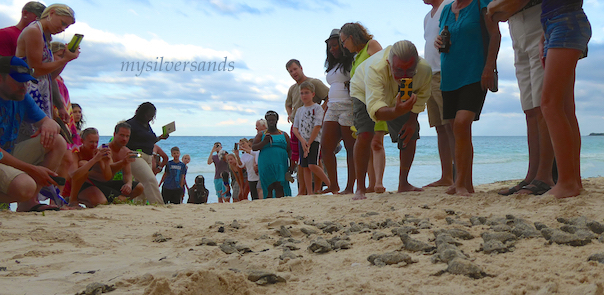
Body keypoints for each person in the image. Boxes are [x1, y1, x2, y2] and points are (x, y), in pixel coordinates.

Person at [487, 0, 591, 199]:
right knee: (563, 107)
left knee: (550, 105)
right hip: (552, 23)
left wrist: (492, 8)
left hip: (564, 22)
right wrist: (546, 31)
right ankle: (572, 181)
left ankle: (566, 182)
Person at [350, 41, 432, 200]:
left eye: (410, 70)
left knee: (410, 132)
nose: (404, 76)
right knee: (365, 134)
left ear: (417, 63)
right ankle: (360, 188)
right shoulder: (376, 68)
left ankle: (404, 183)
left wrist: (411, 121)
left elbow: (422, 97)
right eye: (399, 70)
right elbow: (375, 109)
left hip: (395, 95)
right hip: (363, 91)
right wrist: (396, 111)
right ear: (389, 63)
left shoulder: (424, 70)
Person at [435, 0, 501, 196]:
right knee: (455, 129)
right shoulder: (446, 9)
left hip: (474, 73)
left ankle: (461, 183)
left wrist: (489, 67)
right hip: (449, 76)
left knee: (462, 124)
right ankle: (464, 183)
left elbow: (495, 35)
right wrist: (437, 41)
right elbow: (444, 38)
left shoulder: (481, 3)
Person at [0, 56, 66, 211]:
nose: (24, 86)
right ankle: (27, 195)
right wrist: (32, 169)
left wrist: (48, 124)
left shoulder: (21, 97)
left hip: (7, 155)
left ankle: (28, 204)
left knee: (57, 141)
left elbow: (49, 122)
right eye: (18, 81)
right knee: (25, 186)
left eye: (26, 81)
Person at [15, 3, 79, 139]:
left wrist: (66, 59)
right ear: (51, 13)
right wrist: (63, 60)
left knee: (45, 141)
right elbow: (36, 70)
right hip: (28, 92)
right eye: (62, 23)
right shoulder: (33, 31)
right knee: (32, 139)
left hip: (40, 95)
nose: (62, 29)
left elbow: (49, 76)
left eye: (65, 27)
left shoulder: (44, 35)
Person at [340, 22, 386, 194]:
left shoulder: (371, 45)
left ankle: (378, 183)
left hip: (375, 99)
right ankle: (370, 184)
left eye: (344, 41)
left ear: (351, 37)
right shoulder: (357, 56)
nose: (344, 46)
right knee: (365, 140)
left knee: (376, 141)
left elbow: (383, 66)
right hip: (360, 102)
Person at [422, 0, 456, 188]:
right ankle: (447, 176)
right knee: (439, 128)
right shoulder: (427, 17)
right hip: (430, 74)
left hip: (444, 71)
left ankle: (459, 175)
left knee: (451, 125)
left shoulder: (449, 6)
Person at [68, 124, 143, 207]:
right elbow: (73, 176)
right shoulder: (77, 153)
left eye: (96, 142)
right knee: (83, 164)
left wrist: (106, 163)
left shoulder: (101, 152)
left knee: (137, 188)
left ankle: (115, 203)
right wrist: (95, 160)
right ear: (82, 141)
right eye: (91, 142)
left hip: (102, 183)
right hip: (82, 184)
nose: (94, 145)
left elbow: (108, 177)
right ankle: (73, 200)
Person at [320, 29, 356, 195]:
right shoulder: (333, 66)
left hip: (348, 106)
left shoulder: (352, 61)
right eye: (330, 47)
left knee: (350, 148)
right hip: (332, 107)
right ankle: (334, 184)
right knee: (326, 148)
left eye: (335, 46)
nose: (332, 49)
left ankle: (350, 187)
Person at [285, 59, 329, 191]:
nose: (293, 73)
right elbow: (287, 103)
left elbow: (329, 96)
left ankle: (319, 188)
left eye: (295, 69)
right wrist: (291, 114)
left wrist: (319, 111)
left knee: (316, 159)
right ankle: (303, 190)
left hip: (312, 129)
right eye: (290, 71)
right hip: (297, 128)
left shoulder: (314, 82)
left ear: (301, 68)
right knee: (300, 159)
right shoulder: (293, 88)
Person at [125, 102, 168, 205]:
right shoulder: (130, 124)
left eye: (152, 116)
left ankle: (140, 208)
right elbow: (123, 142)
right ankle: (158, 205)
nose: (150, 118)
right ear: (142, 113)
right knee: (150, 179)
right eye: (148, 115)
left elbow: (149, 141)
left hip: (148, 156)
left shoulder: (146, 125)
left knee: (142, 186)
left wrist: (160, 138)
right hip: (135, 154)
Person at [293, 81, 331, 195]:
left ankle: (330, 185)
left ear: (313, 94)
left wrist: (308, 143)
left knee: (313, 164)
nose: (304, 95)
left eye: (306, 93)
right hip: (302, 141)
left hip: (314, 141)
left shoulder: (317, 108)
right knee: (305, 167)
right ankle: (309, 192)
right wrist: (303, 141)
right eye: (302, 93)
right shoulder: (299, 110)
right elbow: (295, 128)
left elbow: (317, 126)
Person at [252, 111, 293, 199]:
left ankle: (281, 206)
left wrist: (292, 164)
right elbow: (254, 147)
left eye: (273, 120)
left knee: (280, 186)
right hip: (266, 165)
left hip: (281, 164)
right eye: (269, 120)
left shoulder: (283, 134)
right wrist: (264, 142)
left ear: (277, 120)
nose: (271, 122)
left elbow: (290, 150)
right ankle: (269, 207)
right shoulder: (261, 134)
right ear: (266, 121)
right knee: (268, 186)